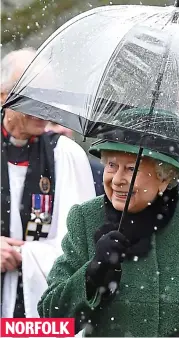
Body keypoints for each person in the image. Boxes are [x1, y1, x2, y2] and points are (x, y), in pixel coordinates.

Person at [38, 108, 179, 337]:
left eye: (131, 169)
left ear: (164, 176)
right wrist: (92, 274)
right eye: (111, 166)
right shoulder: (86, 219)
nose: (116, 180)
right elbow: (51, 317)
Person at [1, 48, 96, 318]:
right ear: (4, 96)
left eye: (49, 97)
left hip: (39, 316)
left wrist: (25, 256)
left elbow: (78, 247)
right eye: (33, 95)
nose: (43, 107)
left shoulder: (66, 155)